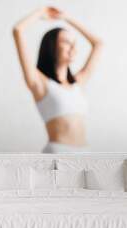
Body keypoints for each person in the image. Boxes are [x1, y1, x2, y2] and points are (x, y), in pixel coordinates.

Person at [13, 7, 102, 153]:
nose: (73, 47)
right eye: (66, 42)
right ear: (52, 47)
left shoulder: (77, 82)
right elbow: (17, 30)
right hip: (58, 154)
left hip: (86, 153)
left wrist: (66, 18)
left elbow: (98, 44)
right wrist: (41, 13)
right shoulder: (39, 82)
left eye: (74, 43)